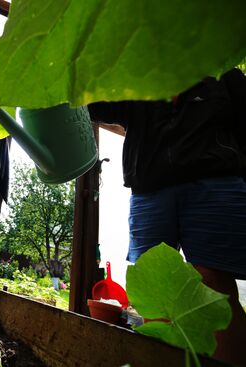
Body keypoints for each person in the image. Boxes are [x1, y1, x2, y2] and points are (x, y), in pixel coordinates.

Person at [88, 68, 246, 366]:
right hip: (150, 189)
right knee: (154, 289)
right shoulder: (140, 73)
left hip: (215, 183)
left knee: (214, 288)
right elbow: (94, 101)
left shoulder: (223, 72)